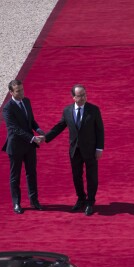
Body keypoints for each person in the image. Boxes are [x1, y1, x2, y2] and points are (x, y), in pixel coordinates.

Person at [43, 84, 104, 216]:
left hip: (90, 150)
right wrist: (45, 138)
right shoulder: (67, 111)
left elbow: (100, 130)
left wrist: (99, 149)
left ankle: (90, 202)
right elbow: (59, 126)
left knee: (91, 177)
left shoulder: (94, 110)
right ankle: (81, 198)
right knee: (76, 176)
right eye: (79, 96)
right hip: (74, 150)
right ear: (73, 97)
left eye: (84, 95)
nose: (83, 98)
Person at [2, 79, 44, 214]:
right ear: (11, 93)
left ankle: (34, 200)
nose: (21, 93)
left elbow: (30, 120)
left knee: (32, 173)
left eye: (22, 89)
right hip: (15, 147)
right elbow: (14, 129)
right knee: (15, 176)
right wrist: (32, 138)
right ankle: (16, 203)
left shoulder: (26, 101)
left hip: (29, 146)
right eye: (18, 91)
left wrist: (38, 130)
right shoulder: (7, 108)